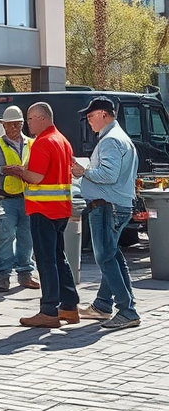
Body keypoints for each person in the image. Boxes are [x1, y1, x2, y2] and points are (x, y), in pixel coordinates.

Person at [71, 96, 141, 330]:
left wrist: (83, 170)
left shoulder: (111, 140)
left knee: (105, 257)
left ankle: (127, 311)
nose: (89, 121)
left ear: (104, 114)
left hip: (106, 206)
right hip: (115, 205)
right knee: (112, 256)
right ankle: (103, 305)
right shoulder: (119, 138)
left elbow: (108, 175)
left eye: (91, 116)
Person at [11, 102, 78, 328]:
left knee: (46, 260)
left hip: (43, 209)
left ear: (41, 118)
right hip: (60, 209)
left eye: (29, 119)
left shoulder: (43, 142)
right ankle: (69, 307)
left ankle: (49, 311)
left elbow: (36, 177)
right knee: (59, 257)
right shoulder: (62, 140)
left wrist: (20, 171)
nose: (27, 123)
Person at [0, 105, 39, 292]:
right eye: (8, 126)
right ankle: (4, 276)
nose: (12, 129)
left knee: (27, 238)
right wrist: (3, 169)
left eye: (15, 125)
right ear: (3, 126)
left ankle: (25, 274)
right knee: (5, 238)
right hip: (5, 200)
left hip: (27, 198)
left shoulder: (31, 144)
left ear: (21, 125)